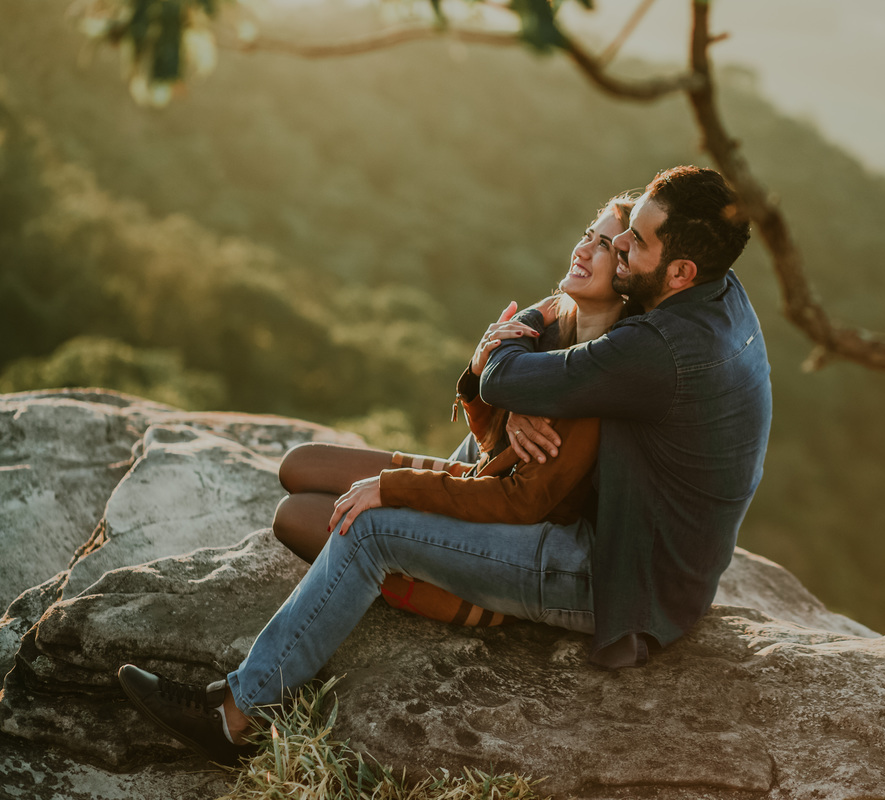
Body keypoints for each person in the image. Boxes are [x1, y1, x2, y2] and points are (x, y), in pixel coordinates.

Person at [117, 166, 771, 767]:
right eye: (616, 233)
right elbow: (530, 359)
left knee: (369, 531)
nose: (620, 244)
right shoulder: (716, 287)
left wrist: (512, 382)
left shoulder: (653, 350)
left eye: (633, 242)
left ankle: (237, 720)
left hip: (612, 575)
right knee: (320, 482)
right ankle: (447, 575)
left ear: (680, 272)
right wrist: (520, 394)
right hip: (637, 540)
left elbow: (513, 387)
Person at [267, 193, 634, 628]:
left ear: (629, 272)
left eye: (605, 247)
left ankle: (461, 601)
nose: (583, 250)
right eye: (588, 236)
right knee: (300, 465)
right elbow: (489, 445)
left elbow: (521, 503)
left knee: (297, 518)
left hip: (505, 535)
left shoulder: (603, 371)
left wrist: (395, 490)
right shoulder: (553, 318)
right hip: (483, 480)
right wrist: (483, 376)